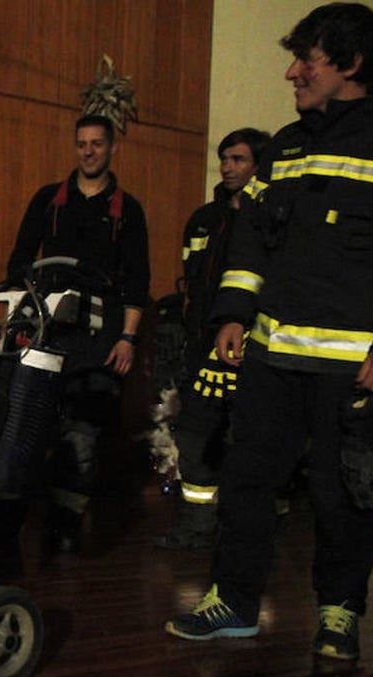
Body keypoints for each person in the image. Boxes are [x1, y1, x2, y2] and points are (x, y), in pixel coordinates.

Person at [166, 3, 373, 662]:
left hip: (351, 369)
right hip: (272, 360)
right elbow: (252, 240)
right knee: (248, 478)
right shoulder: (286, 146)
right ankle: (232, 598)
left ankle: (339, 611)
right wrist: (232, 314)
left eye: (306, 59)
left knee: (339, 491)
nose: (292, 72)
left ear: (350, 63)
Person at [5, 113, 150, 553]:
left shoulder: (128, 210)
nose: (88, 151)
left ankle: (66, 520)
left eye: (97, 144)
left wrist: (127, 338)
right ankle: (13, 516)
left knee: (83, 434)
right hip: (46, 331)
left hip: (99, 340)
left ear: (112, 148)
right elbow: (19, 262)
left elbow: (137, 280)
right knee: (29, 425)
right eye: (82, 143)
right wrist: (18, 322)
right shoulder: (50, 200)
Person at [153, 128, 271, 550]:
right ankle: (196, 526)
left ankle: (246, 530)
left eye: (238, 159)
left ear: (259, 164)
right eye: (224, 158)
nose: (227, 167)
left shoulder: (269, 216)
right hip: (202, 345)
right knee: (195, 433)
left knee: (246, 441)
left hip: (250, 352)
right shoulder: (205, 218)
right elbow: (191, 281)